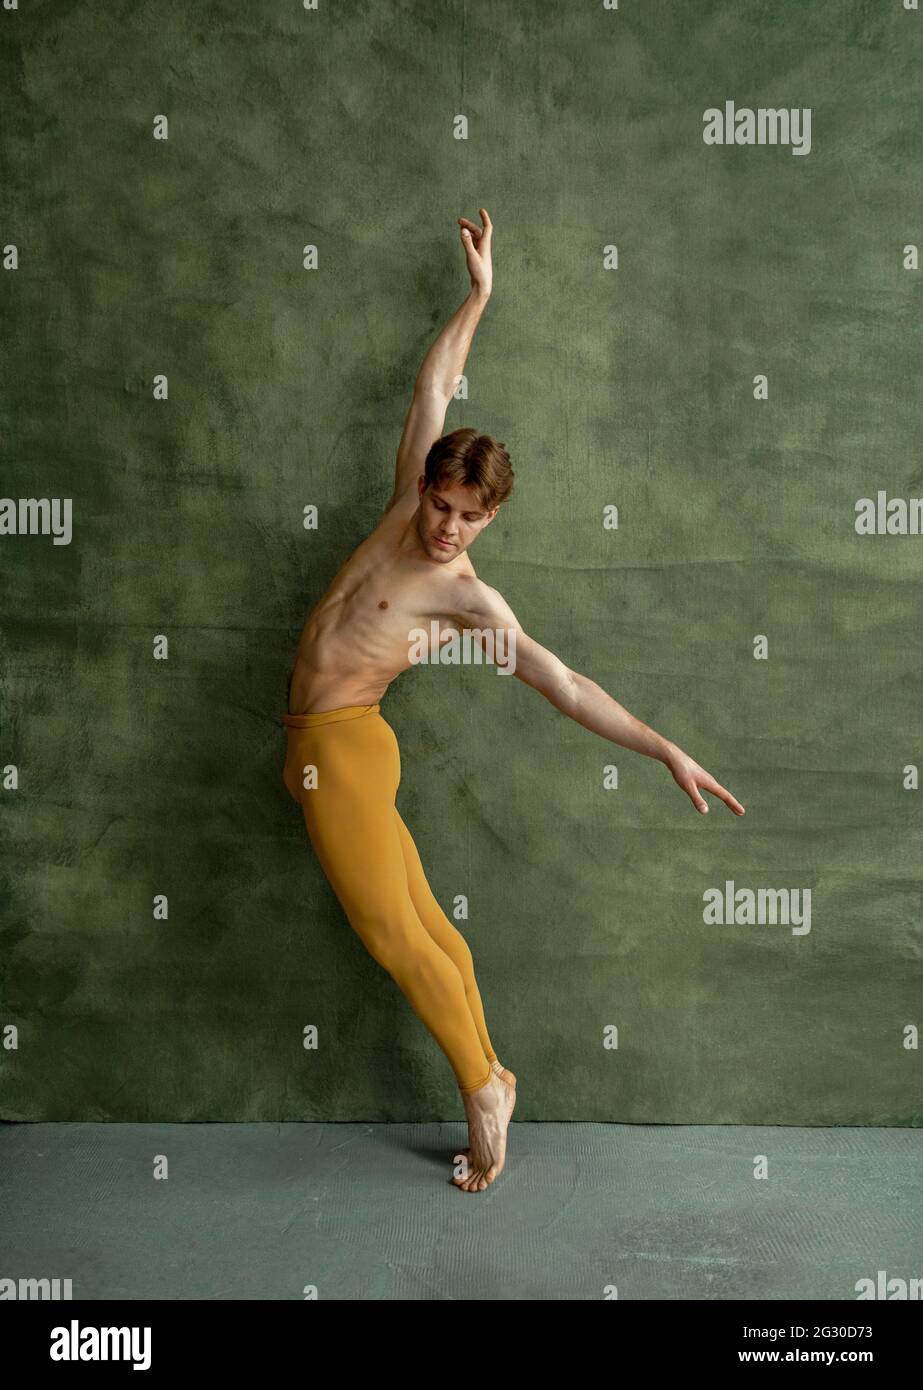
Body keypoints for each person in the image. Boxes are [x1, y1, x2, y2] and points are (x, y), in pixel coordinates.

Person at [282, 207, 745, 1194]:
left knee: (394, 933)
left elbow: (564, 685)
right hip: (328, 744)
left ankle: (480, 1085)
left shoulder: (465, 598)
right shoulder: (405, 505)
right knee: (424, 924)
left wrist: (663, 748)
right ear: (427, 482)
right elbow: (433, 382)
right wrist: (480, 295)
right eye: (440, 504)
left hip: (345, 749)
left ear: (490, 517)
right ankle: (492, 1070)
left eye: (466, 517)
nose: (445, 526)